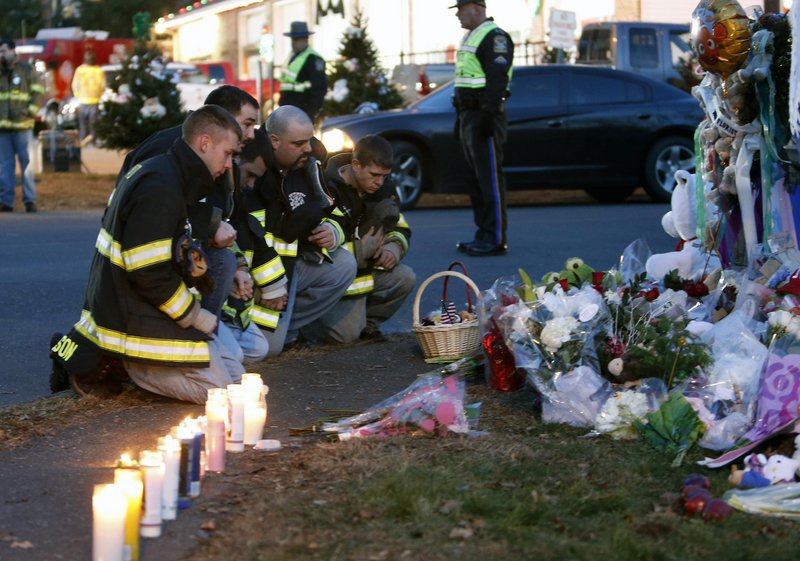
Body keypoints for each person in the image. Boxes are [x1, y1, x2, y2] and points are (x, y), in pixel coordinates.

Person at [51, 105, 246, 404]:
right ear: (204, 143)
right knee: (219, 393)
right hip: (130, 317)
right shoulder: (161, 186)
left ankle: (124, 365)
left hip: (138, 305)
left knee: (236, 371)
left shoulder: (168, 173)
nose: (229, 164)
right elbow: (148, 272)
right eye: (228, 154)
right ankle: (119, 366)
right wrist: (193, 316)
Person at [117, 86, 260, 331]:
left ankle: (206, 334)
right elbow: (150, 208)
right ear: (218, 119)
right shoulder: (165, 149)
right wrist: (211, 224)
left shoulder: (215, 157)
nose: (252, 134)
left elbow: (218, 214)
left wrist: (238, 264)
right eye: (247, 124)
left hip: (180, 260)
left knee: (225, 262)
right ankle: (197, 335)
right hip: (145, 282)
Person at [242, 106, 356, 355]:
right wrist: (268, 284)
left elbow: (335, 209)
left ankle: (287, 327)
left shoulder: (309, 166)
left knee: (345, 264)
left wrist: (332, 230)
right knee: (267, 350)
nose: (308, 148)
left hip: (292, 266)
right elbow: (249, 237)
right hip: (258, 274)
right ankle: (265, 327)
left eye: (309, 140)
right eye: (299, 143)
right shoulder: (255, 169)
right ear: (274, 141)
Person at [301, 135, 415, 344]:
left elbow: (400, 226)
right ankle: (305, 328)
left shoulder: (384, 190)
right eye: (374, 175)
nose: (379, 182)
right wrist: (361, 251)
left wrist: (394, 247)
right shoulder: (326, 188)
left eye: (385, 176)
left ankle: (367, 328)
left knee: (405, 277)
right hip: (336, 281)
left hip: (365, 274)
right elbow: (315, 250)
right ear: (355, 164)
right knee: (345, 336)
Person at [450, 0, 513, 256]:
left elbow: (497, 79)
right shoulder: (471, 36)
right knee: (475, 179)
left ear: (475, 8)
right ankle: (483, 233)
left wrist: (488, 114)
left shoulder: (495, 37)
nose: (457, 15)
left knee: (490, 179)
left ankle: (496, 238)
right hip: (469, 115)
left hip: (483, 115)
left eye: (460, 9)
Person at [0, 38, 44, 213]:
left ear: (13, 51)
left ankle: (30, 201)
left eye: (3, 51)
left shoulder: (26, 69)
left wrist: (30, 111)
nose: (1, 54)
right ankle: (6, 202)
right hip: (3, 129)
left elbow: (39, 92)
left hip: (22, 126)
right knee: (5, 166)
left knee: (26, 166)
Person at [278, 21, 327, 122]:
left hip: (303, 109)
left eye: (296, 39)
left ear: (305, 39)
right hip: (287, 107)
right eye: (292, 39)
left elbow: (319, 88)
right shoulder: (292, 56)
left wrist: (311, 113)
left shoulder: (314, 59)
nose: (293, 43)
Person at [70, 50, 106, 145]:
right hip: (94, 100)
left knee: (82, 124)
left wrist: (78, 95)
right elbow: (103, 86)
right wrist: (99, 95)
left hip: (82, 100)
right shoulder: (99, 70)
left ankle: (83, 141)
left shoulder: (80, 70)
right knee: (93, 124)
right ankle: (92, 141)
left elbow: (74, 85)